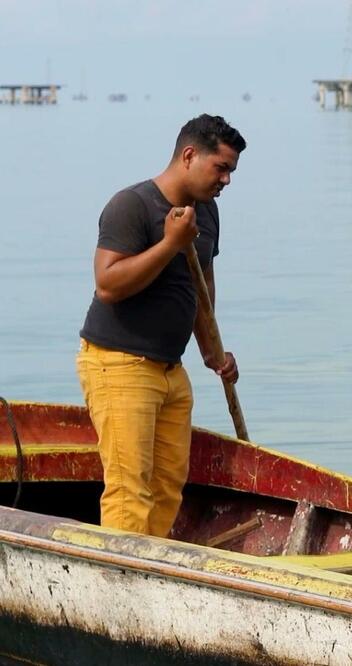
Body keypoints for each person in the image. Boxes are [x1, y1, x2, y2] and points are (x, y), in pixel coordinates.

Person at [76, 114, 246, 538]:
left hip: (171, 370)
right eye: (220, 167)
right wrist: (171, 243)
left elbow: (201, 282)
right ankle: (120, 581)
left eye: (231, 171)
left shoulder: (206, 214)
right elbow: (108, 284)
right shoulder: (132, 205)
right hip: (119, 365)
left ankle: (149, 573)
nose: (226, 180)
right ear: (189, 155)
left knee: (168, 486)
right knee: (129, 489)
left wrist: (213, 353)